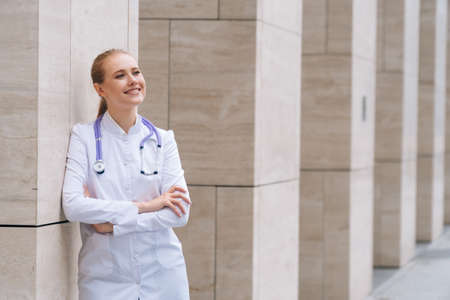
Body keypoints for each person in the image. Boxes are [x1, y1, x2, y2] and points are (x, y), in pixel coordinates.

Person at [62, 49, 191, 300]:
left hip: (164, 275)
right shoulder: (84, 138)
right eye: (120, 75)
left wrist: (111, 226)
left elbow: (180, 213)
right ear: (100, 89)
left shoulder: (164, 140)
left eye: (136, 72)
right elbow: (73, 206)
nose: (133, 80)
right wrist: (147, 206)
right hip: (104, 278)